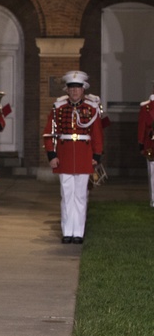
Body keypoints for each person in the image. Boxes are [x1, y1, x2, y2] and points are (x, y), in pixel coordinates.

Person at [45, 70, 104, 243]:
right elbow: (49, 133)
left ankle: (78, 232)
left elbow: (98, 134)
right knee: (66, 195)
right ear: (67, 90)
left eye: (78, 88)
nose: (74, 92)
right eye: (71, 88)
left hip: (85, 155)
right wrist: (51, 154)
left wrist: (97, 155)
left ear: (83, 89)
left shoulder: (91, 109)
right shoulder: (58, 108)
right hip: (64, 156)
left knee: (80, 195)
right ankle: (67, 231)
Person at [138, 79, 154, 207]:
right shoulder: (146, 106)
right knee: (152, 172)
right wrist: (141, 144)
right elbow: (142, 127)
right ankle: (153, 199)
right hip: (151, 143)